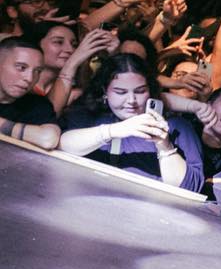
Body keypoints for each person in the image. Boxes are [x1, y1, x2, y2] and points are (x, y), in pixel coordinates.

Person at [58, 52, 205, 189]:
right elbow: (61, 146)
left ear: (151, 89)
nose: (131, 101)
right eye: (120, 92)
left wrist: (165, 146)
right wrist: (114, 130)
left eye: (140, 91)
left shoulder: (176, 127)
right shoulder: (87, 116)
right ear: (105, 91)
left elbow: (190, 187)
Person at [0, 34, 62, 149]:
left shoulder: (37, 105)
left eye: (37, 71)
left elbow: (48, 139)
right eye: (21, 67)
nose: (29, 78)